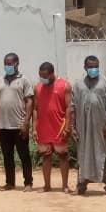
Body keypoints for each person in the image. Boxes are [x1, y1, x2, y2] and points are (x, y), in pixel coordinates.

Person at [72, 56, 106, 196]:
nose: (94, 69)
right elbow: (72, 107)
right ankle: (81, 184)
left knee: (104, 153)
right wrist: (73, 127)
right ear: (85, 67)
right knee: (83, 154)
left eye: (96, 66)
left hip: (102, 126)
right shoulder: (78, 84)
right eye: (91, 67)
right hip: (83, 126)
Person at [0, 52, 35, 192]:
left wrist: (26, 122)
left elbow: (29, 101)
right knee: (7, 156)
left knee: (24, 155)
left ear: (17, 63)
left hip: (19, 124)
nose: (7, 66)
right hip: (3, 125)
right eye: (5, 64)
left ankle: (28, 183)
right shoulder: (0, 80)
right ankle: (10, 183)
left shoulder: (24, 80)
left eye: (10, 63)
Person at [33, 62, 71, 193]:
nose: (42, 78)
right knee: (46, 156)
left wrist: (67, 127)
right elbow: (35, 109)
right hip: (43, 128)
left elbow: (69, 108)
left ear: (52, 73)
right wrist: (34, 128)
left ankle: (65, 186)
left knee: (63, 156)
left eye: (45, 76)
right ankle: (47, 185)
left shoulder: (64, 85)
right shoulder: (38, 87)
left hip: (59, 128)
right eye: (40, 76)